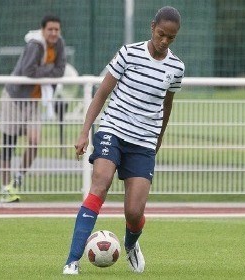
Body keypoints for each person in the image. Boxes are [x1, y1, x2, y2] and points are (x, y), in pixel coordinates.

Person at [63, 6, 185, 275]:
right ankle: (72, 260)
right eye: (161, 34)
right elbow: (101, 94)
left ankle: (131, 246)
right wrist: (85, 132)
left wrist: (158, 139)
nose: (164, 41)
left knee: (133, 212)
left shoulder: (176, 68)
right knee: (100, 183)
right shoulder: (128, 53)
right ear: (152, 27)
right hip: (113, 130)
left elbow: (167, 107)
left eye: (171, 38)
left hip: (143, 142)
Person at [0, 15, 66, 203]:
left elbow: (60, 70)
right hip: (15, 98)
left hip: (34, 100)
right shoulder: (35, 46)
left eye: (56, 29)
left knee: (34, 142)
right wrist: (49, 70)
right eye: (50, 29)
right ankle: (5, 189)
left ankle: (17, 179)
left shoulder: (59, 44)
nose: (53, 33)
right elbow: (27, 72)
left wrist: (45, 71)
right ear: (43, 30)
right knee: (8, 143)